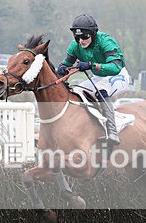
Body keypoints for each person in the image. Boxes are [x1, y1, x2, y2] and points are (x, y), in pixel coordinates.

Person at [55, 14, 132, 145]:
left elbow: (115, 67)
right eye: (77, 37)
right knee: (77, 91)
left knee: (101, 89)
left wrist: (92, 65)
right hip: (98, 77)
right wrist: (60, 69)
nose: (81, 41)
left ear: (93, 34)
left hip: (118, 76)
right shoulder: (75, 45)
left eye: (85, 36)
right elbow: (65, 64)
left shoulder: (106, 41)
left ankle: (112, 131)